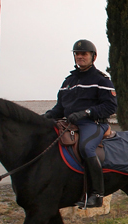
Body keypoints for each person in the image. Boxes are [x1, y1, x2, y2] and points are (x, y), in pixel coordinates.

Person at [44, 39, 117, 208]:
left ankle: (97, 194)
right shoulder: (68, 82)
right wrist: (46, 116)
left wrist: (86, 113)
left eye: (84, 54)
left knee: (86, 148)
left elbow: (110, 106)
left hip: (93, 124)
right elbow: (59, 108)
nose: (80, 56)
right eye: (77, 54)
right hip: (69, 123)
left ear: (93, 56)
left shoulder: (101, 80)